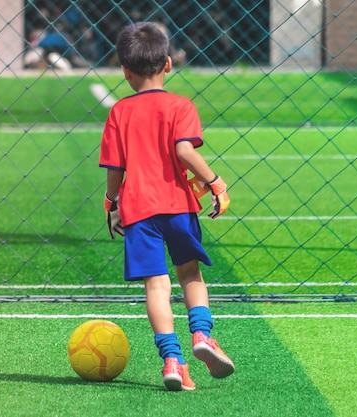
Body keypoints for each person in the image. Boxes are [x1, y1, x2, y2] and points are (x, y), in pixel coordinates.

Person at [98, 22, 234, 392]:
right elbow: (184, 151)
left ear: (125, 72)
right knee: (190, 275)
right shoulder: (180, 105)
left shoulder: (119, 113)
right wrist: (215, 183)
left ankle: (172, 360)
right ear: (169, 64)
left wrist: (113, 203)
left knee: (156, 287)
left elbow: (115, 168)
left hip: (138, 211)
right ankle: (202, 336)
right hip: (177, 206)